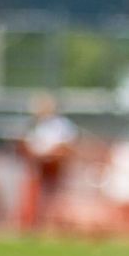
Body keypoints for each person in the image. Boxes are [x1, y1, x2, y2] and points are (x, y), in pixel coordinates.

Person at [19, 93, 78, 231]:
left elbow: (67, 145)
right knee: (36, 196)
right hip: (38, 167)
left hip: (55, 167)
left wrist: (52, 154)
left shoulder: (61, 125)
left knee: (55, 197)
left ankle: (56, 224)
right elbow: (27, 144)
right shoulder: (34, 126)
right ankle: (35, 224)